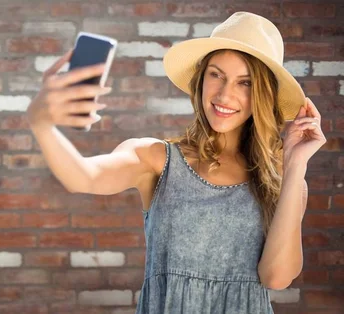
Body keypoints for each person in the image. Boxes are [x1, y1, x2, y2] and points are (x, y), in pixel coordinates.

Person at [26, 12, 326, 314]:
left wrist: (295, 163)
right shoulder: (157, 158)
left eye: (245, 83)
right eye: (216, 74)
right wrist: (42, 125)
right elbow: (84, 177)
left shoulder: (285, 181)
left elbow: (275, 277)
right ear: (201, 79)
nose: (224, 94)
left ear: (262, 94)